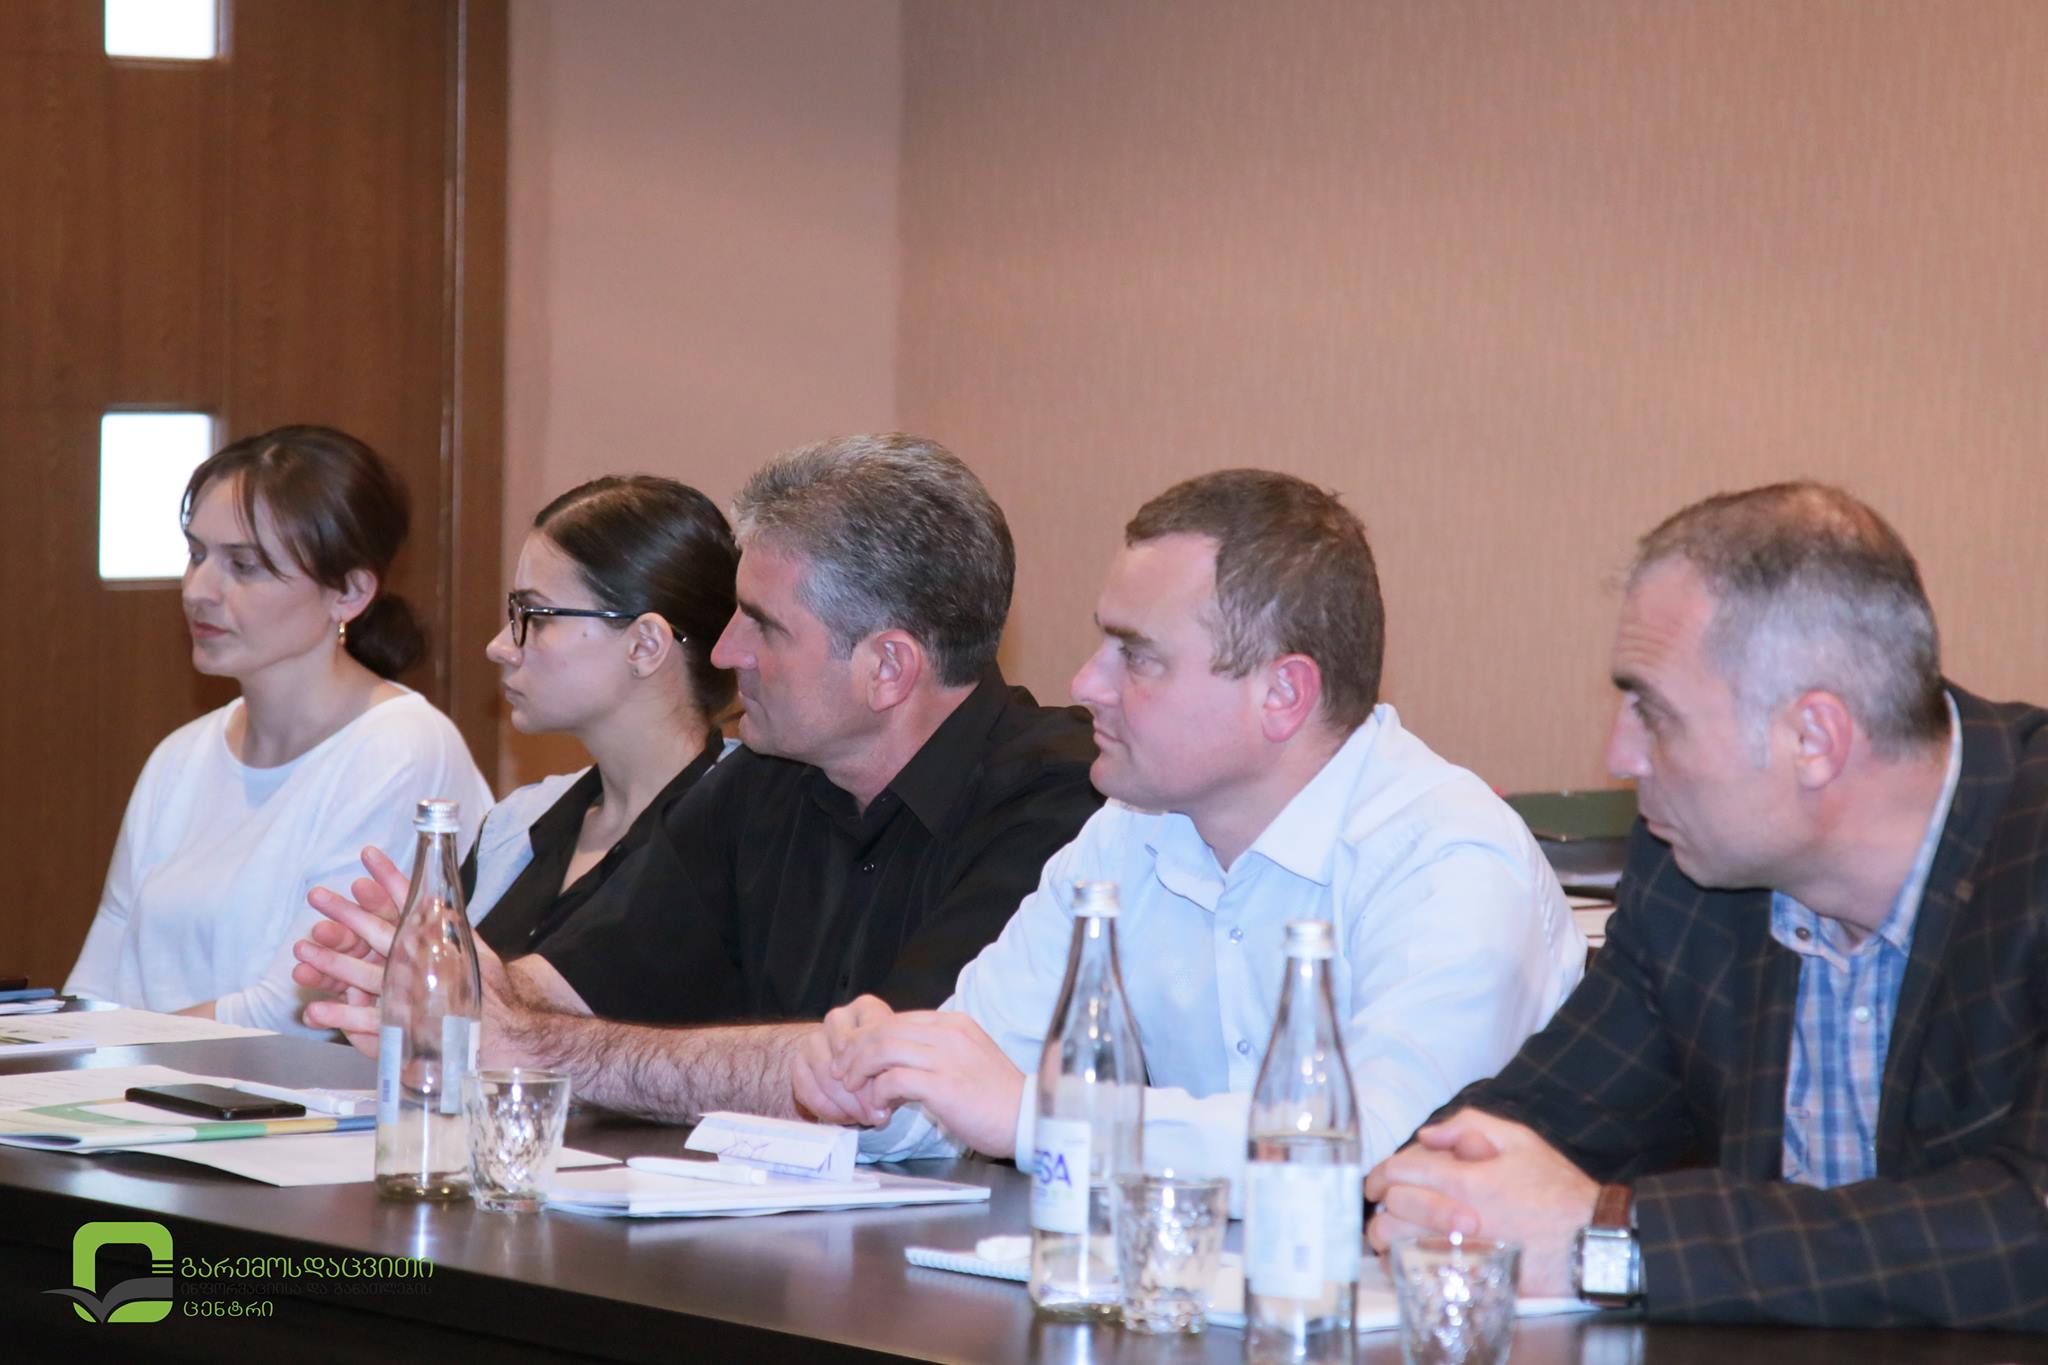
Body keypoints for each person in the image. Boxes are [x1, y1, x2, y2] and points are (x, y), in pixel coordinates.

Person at [1364, 482, 2048, 1329]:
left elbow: (2025, 1234)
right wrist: (1431, 1189)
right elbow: (1543, 1118)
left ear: (1813, 739)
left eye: (1653, 713)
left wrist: (1619, 1240)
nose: (1620, 754)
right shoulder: (1692, 875)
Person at [798, 469, 1585, 1190]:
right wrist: (876, 1076)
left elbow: (1375, 1151)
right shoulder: (1129, 832)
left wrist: (1041, 1116)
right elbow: (974, 1077)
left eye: (1137, 656)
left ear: (1283, 694)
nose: (1086, 683)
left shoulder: (1451, 860)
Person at [293, 434, 1102, 1117]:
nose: (722, 652)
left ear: (888, 667)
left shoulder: (1063, 805)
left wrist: (534, 1047)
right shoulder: (763, 776)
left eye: (763, 626)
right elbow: (576, 981)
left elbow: (877, 1075)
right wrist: (436, 975)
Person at [65, 425, 493, 1035]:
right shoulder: (180, 756)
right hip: (139, 1082)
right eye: (196, 554)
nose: (198, 591)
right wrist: (71, 1049)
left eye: (243, 566)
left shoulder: (401, 745)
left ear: (349, 592)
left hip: (280, 1091)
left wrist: (111, 1049)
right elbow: (96, 981)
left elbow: (291, 1012)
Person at [462, 475, 740, 959]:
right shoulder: (512, 827)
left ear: (645, 645)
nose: (500, 647)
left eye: (536, 616)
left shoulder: (745, 838)